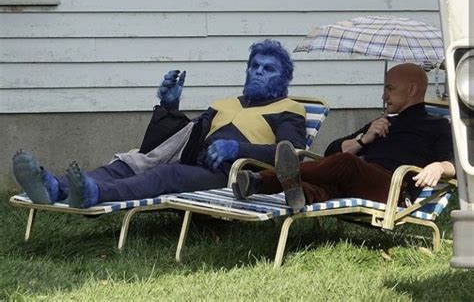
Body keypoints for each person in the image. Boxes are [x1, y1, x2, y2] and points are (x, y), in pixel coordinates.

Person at [13, 39, 307, 209]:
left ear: (284, 78)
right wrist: (169, 105)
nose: (258, 73)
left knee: (166, 174)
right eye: (254, 66)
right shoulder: (225, 104)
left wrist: (237, 147)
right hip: (192, 162)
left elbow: (291, 155)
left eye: (268, 69)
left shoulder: (289, 110)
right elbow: (179, 141)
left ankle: (95, 194)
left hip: (228, 176)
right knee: (127, 164)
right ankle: (55, 187)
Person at [232, 63, 456, 211]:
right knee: (326, 185)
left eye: (390, 88)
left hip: (395, 188)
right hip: (359, 180)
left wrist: (438, 167)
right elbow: (331, 151)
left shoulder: (436, 125)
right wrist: (364, 140)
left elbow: (453, 164)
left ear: (412, 90)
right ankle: (299, 195)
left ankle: (260, 180)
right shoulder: (382, 123)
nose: (383, 95)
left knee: (347, 164)